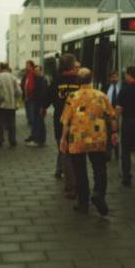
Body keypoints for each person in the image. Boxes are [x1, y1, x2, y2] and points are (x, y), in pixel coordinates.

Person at [60, 67, 118, 215]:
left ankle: (83, 204)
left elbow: (66, 121)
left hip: (77, 139)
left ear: (77, 81)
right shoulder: (101, 95)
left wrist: (63, 139)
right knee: (100, 169)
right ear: (91, 79)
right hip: (97, 138)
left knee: (80, 171)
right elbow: (112, 116)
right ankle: (99, 194)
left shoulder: (73, 97)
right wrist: (115, 133)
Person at [46, 53, 81, 193]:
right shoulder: (79, 81)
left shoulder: (56, 80)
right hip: (78, 121)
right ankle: (77, 180)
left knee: (64, 149)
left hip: (60, 120)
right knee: (76, 151)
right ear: (73, 65)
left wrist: (43, 108)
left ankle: (70, 183)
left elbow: (47, 97)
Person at [0, 62, 22, 147]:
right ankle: (12, 141)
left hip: (0, 104)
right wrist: (15, 99)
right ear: (8, 68)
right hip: (11, 104)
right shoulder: (13, 77)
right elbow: (19, 92)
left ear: (0, 68)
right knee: (11, 123)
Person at [28, 64, 48, 147]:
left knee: (39, 122)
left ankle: (38, 140)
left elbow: (43, 94)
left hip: (39, 104)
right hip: (37, 103)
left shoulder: (42, 80)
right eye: (35, 71)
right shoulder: (38, 79)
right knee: (39, 122)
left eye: (37, 71)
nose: (35, 72)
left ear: (41, 71)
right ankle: (40, 139)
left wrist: (42, 106)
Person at [104, 70, 121, 161]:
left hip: (119, 114)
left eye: (116, 77)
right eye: (113, 77)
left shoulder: (121, 87)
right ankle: (108, 154)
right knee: (108, 134)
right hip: (108, 114)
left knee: (118, 134)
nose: (114, 79)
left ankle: (118, 154)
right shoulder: (106, 87)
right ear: (110, 78)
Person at [21, 60, 36, 142]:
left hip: (31, 99)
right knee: (30, 118)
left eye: (27, 65)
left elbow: (31, 87)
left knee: (32, 118)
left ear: (31, 66)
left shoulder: (32, 74)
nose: (26, 66)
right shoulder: (27, 74)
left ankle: (34, 136)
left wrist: (29, 96)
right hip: (27, 98)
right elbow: (24, 85)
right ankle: (32, 135)